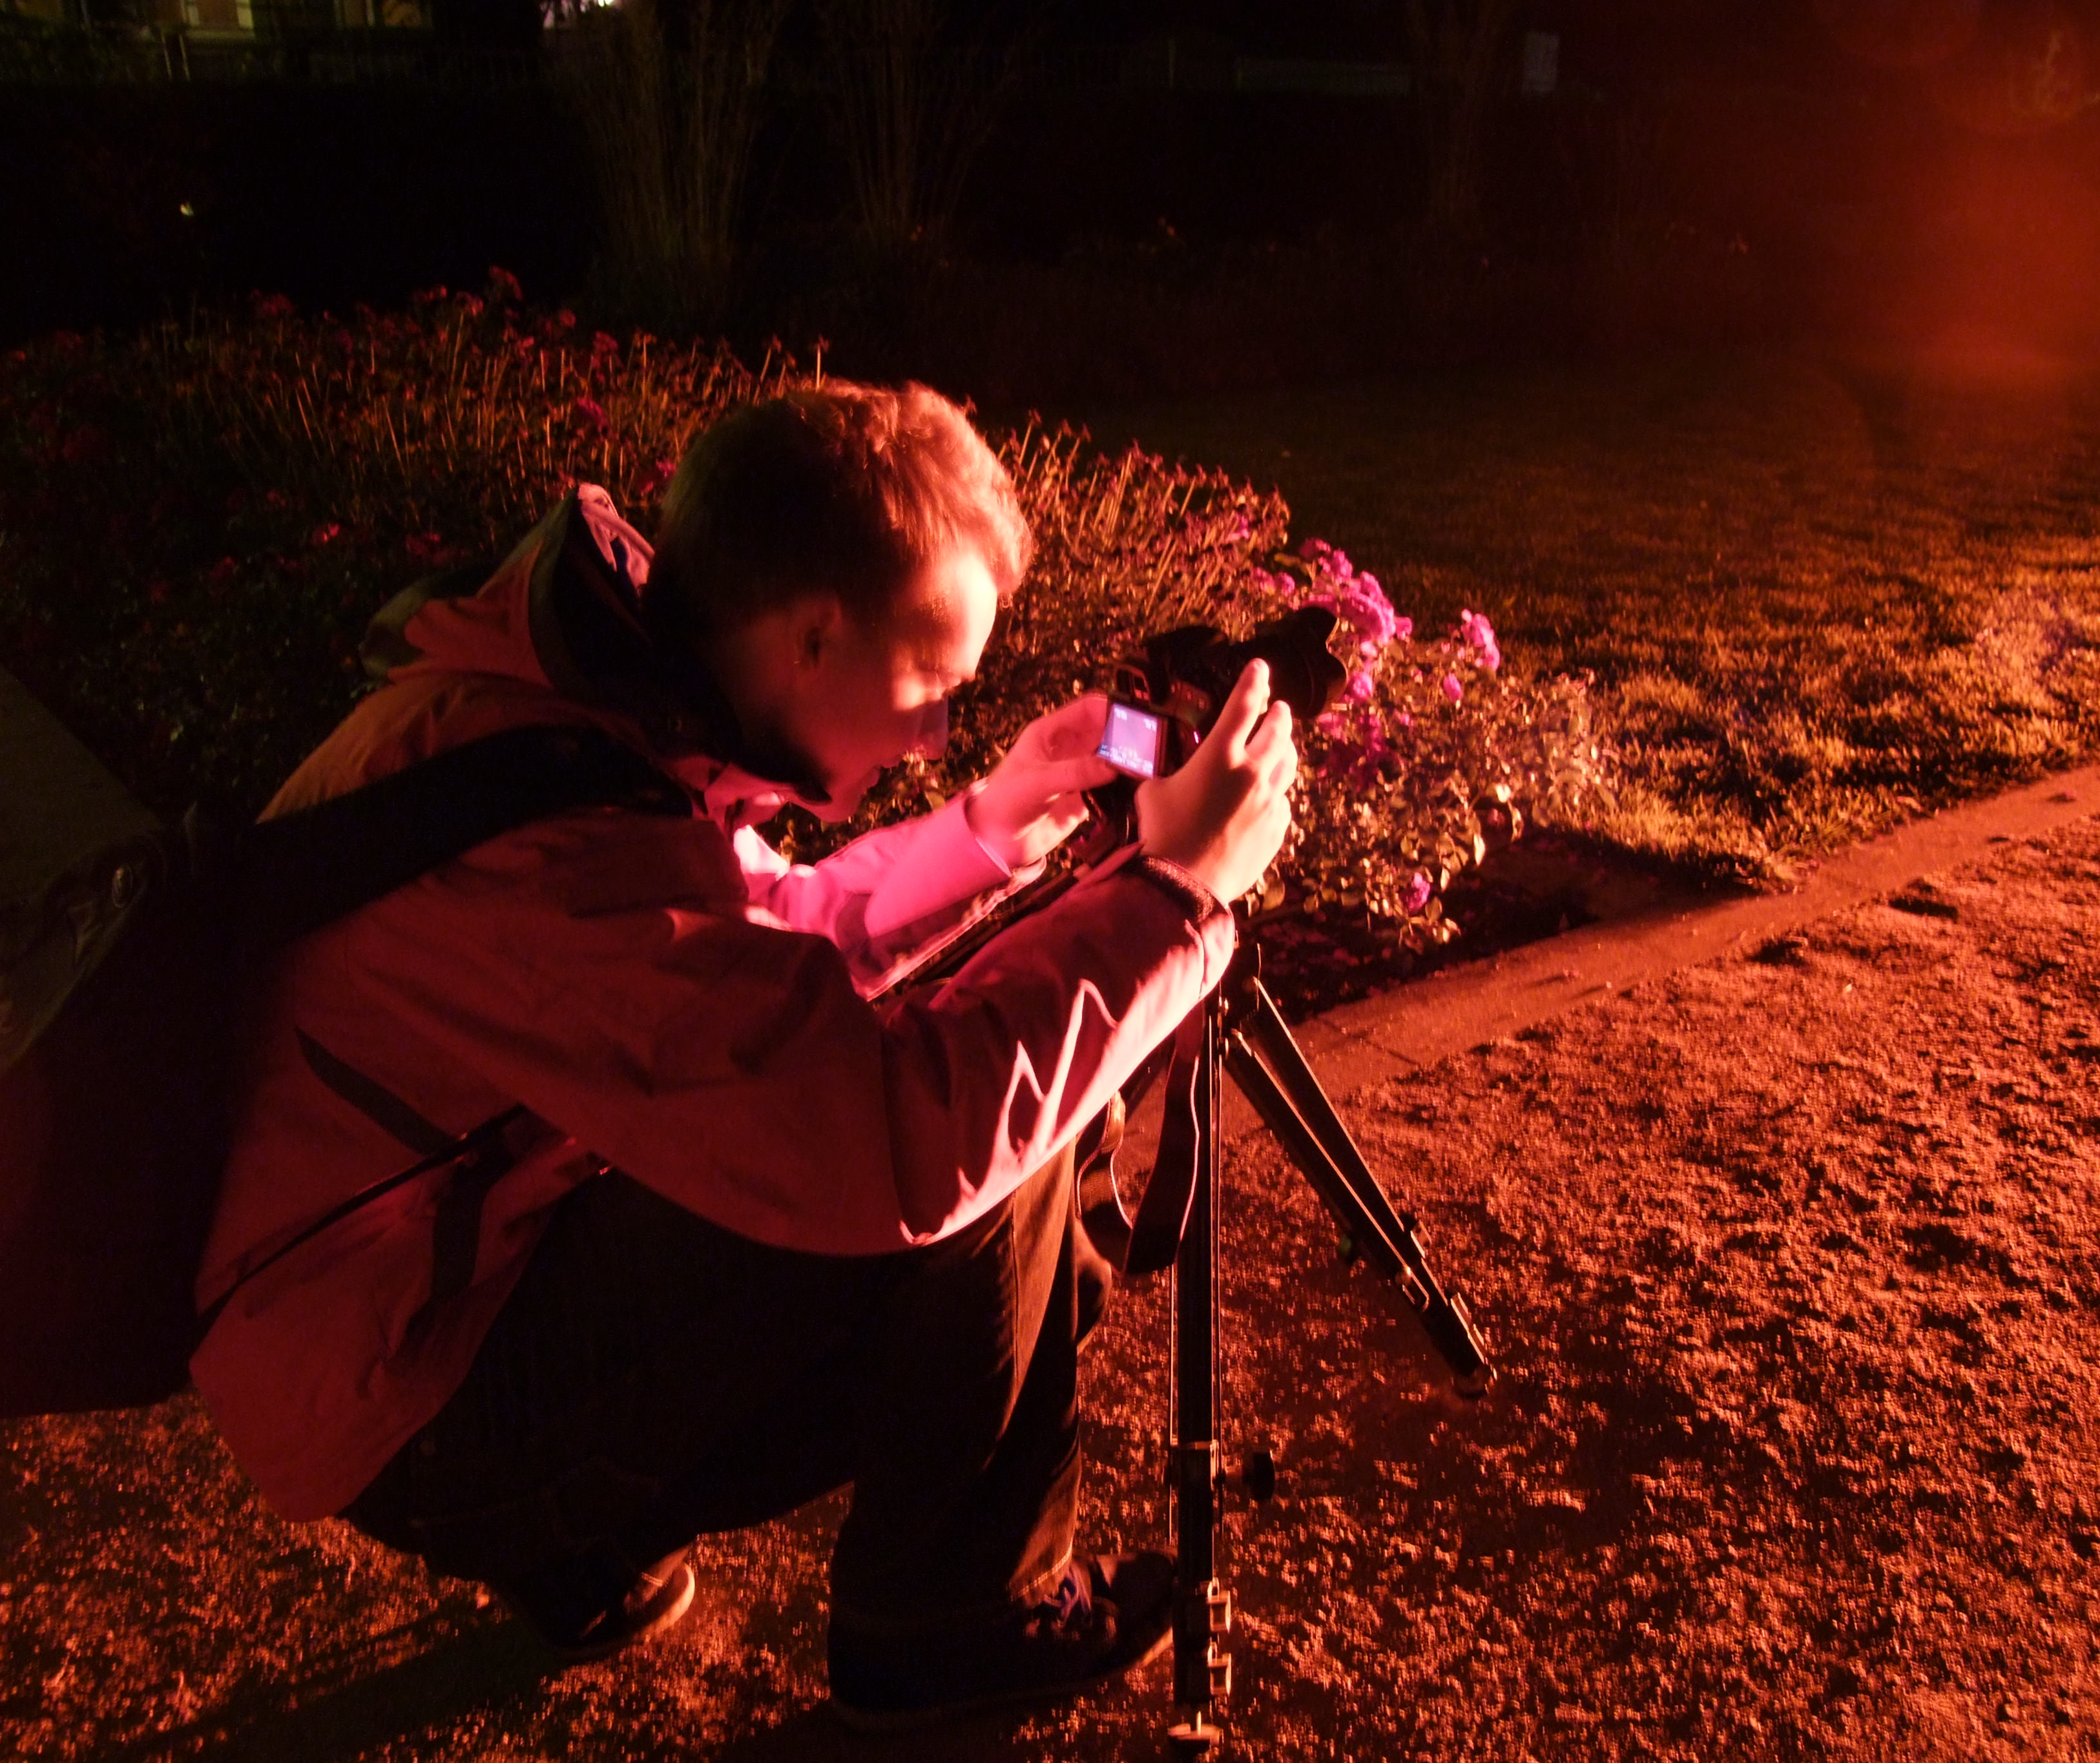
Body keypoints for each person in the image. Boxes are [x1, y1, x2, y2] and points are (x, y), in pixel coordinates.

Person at [189, 384, 1300, 1727]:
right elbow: (897, 1135)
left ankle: (583, 1546)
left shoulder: (570, 719)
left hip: (423, 1298)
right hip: (410, 1406)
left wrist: (1000, 817)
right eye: (934, 687)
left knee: (995, 1087)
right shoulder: (534, 838)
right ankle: (945, 1617)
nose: (936, 738)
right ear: (811, 634)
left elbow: (764, 950)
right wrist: (1177, 892)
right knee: (1004, 1145)